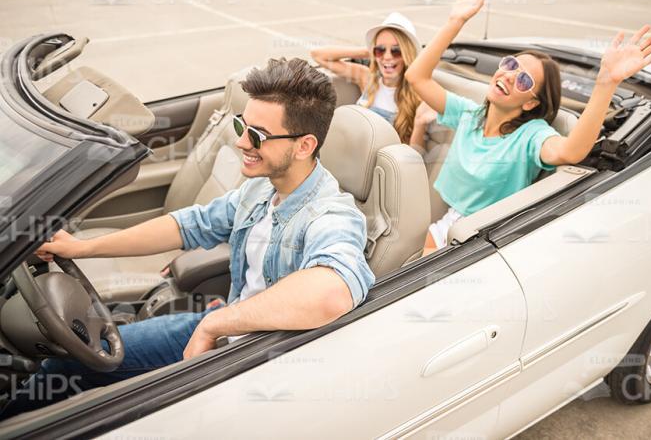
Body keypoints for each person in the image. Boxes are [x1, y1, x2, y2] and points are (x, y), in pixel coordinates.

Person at [2, 58, 374, 417]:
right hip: (224, 325)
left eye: (257, 136)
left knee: (79, 374)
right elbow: (185, 225)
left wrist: (217, 323)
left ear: (304, 145)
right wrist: (81, 247)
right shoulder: (261, 189)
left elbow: (331, 292)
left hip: (252, 360)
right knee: (72, 360)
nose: (243, 143)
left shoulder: (331, 213)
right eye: (241, 126)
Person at [405, 0, 651, 253]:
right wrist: (455, 20)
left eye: (523, 79)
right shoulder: (470, 114)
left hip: (481, 245)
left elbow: (571, 151)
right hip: (447, 224)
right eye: (510, 64)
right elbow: (416, 77)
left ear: (531, 102)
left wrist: (606, 83)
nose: (509, 75)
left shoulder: (531, 135)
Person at [311, 12, 422, 143]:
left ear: (407, 54)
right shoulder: (367, 78)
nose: (386, 57)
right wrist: (367, 51)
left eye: (396, 51)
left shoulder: (416, 94)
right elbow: (318, 55)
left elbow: (411, 154)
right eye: (380, 50)